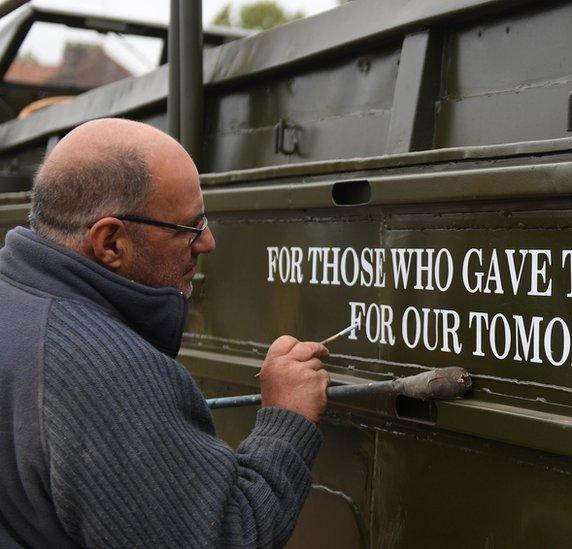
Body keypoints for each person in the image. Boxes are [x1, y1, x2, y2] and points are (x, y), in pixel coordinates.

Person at [0, 118, 330, 547]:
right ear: (111, 243)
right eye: (189, 228)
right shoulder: (109, 373)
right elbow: (228, 536)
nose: (207, 241)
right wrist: (286, 419)